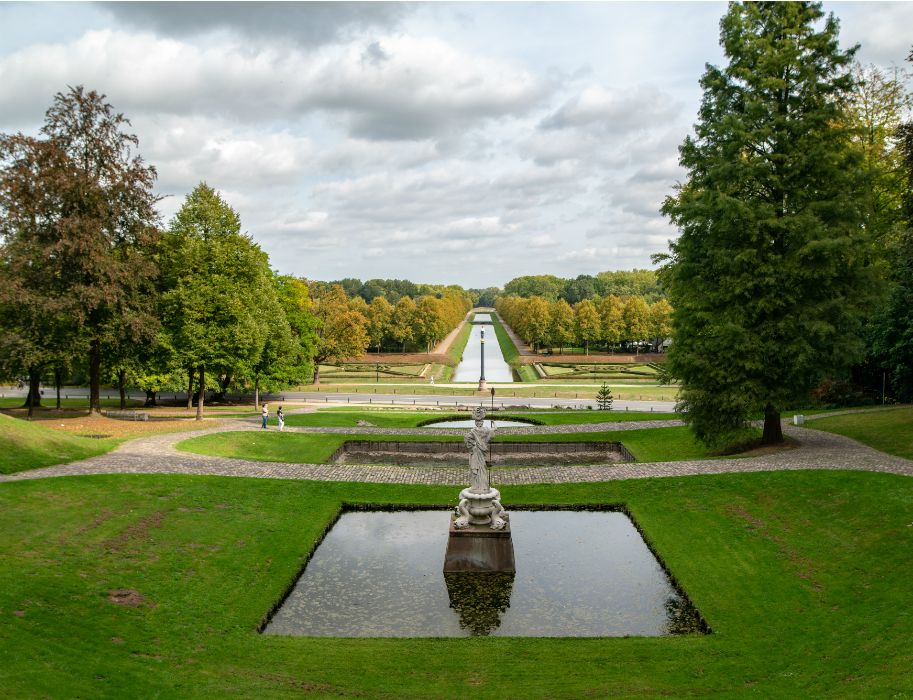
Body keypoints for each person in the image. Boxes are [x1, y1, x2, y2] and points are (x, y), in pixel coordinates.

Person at [464, 407, 494, 494]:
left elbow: (491, 433)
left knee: (482, 468)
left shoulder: (485, 430)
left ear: (483, 422)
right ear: (475, 423)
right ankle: (476, 486)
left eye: (481, 422)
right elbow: (467, 439)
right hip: (475, 451)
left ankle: (483, 486)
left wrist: (493, 427)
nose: (479, 423)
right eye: (478, 422)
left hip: (481, 451)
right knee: (474, 469)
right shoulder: (472, 431)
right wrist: (473, 444)